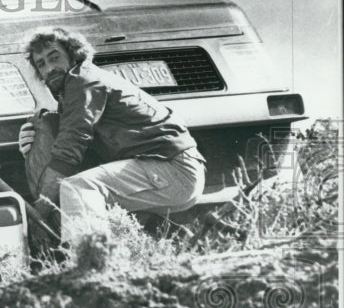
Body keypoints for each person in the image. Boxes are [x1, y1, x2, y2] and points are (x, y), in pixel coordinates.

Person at [18, 27, 206, 244]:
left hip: (174, 170)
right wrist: (35, 136)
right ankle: (125, 256)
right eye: (41, 64)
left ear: (73, 54)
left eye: (54, 57)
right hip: (167, 173)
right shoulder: (78, 85)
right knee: (77, 193)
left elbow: (69, 151)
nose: (50, 68)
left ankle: (91, 265)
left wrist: (40, 208)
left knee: (79, 188)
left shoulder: (82, 81)